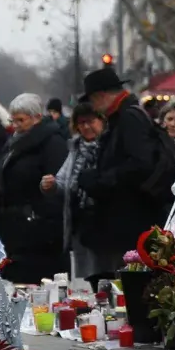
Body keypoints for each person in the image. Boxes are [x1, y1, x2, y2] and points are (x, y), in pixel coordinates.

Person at [74, 66, 172, 281]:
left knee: (127, 287)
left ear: (100, 96)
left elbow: (139, 164)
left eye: (92, 101)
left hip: (131, 219)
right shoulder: (124, 116)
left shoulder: (129, 118)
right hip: (125, 218)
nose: (93, 107)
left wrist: (99, 181)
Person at [0, 93, 69, 283]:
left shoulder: (52, 142)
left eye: (21, 120)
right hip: (16, 225)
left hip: (38, 229)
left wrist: (39, 216)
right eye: (13, 120)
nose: (16, 125)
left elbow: (56, 184)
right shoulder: (15, 141)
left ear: (36, 117)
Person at [44, 103, 107, 284]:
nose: (86, 127)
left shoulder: (108, 146)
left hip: (106, 224)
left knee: (110, 276)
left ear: (102, 121)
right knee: (92, 278)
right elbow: (64, 181)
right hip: (83, 224)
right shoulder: (75, 148)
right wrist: (52, 185)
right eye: (81, 123)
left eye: (91, 121)